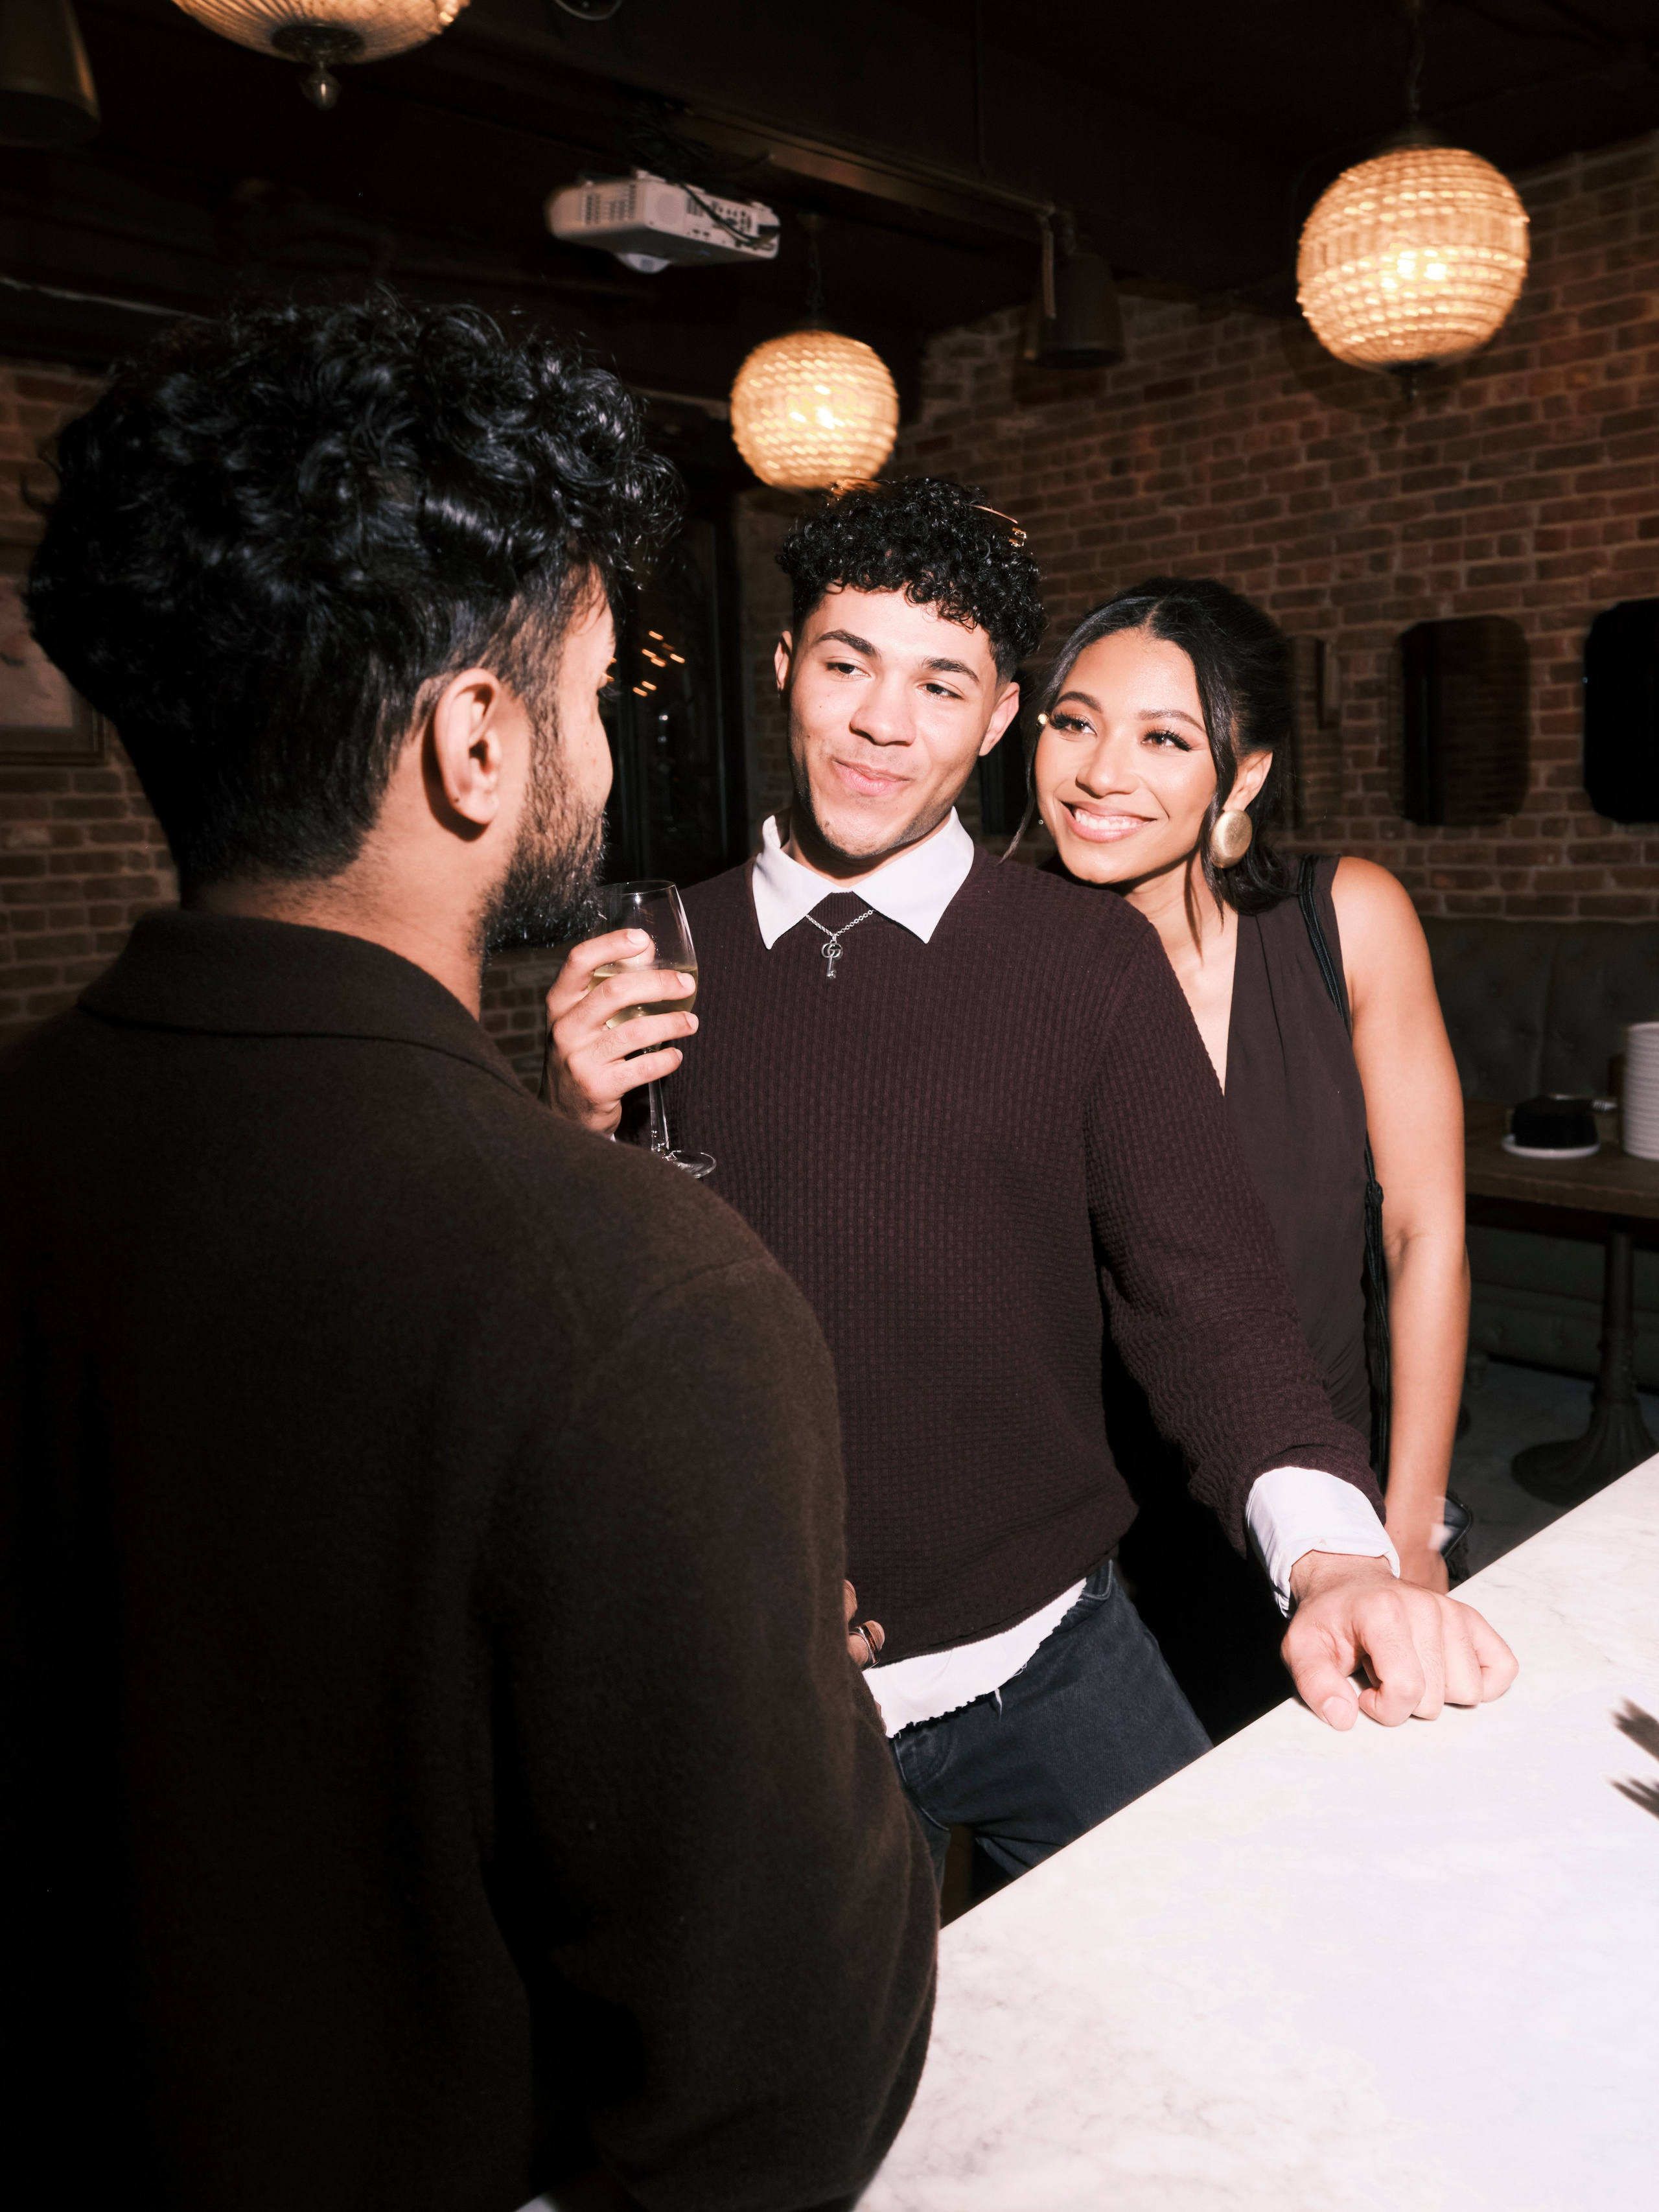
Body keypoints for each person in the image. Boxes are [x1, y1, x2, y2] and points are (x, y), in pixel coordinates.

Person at [1, 299, 936, 2212]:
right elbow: (778, 2084)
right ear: (477, 739)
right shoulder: (641, 1294)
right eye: (596, 691)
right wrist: (787, 1676)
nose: (606, 741)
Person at [542, 478, 1517, 1886]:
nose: (885, 722)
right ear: (783, 672)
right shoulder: (657, 948)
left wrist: (1340, 1555)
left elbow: (1211, 1302)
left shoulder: (1082, 962)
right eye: (845, 663)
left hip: (1054, 1656)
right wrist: (566, 1124)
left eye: (940, 683)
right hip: (760, 1680)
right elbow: (592, 1341)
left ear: (995, 717)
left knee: (1209, 1997)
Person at [1025, 578, 1469, 1738]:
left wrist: (1410, 1523)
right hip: (1097, 1540)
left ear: (1247, 777)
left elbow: (1423, 1232)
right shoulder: (1002, 963)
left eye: (1165, 738)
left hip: (1335, 1502)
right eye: (1074, 722)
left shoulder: (1346, 921)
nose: (1099, 773)